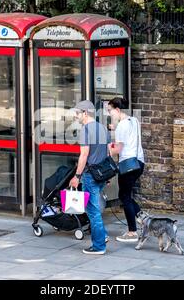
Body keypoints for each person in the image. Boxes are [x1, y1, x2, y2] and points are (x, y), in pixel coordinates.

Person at [69, 100, 109, 255]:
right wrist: (106, 174)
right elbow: (107, 152)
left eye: (77, 113)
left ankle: (99, 246)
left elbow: (84, 155)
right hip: (101, 174)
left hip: (89, 175)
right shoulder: (103, 128)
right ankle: (103, 236)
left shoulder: (86, 130)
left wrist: (77, 176)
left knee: (92, 210)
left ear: (85, 113)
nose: (76, 116)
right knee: (95, 207)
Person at [107, 97, 145, 243]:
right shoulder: (133, 120)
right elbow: (129, 136)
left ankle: (132, 232)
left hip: (128, 165)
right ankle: (142, 218)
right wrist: (115, 128)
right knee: (126, 196)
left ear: (117, 110)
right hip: (139, 163)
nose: (110, 114)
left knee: (124, 197)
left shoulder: (122, 125)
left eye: (110, 111)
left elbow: (118, 149)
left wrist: (107, 149)